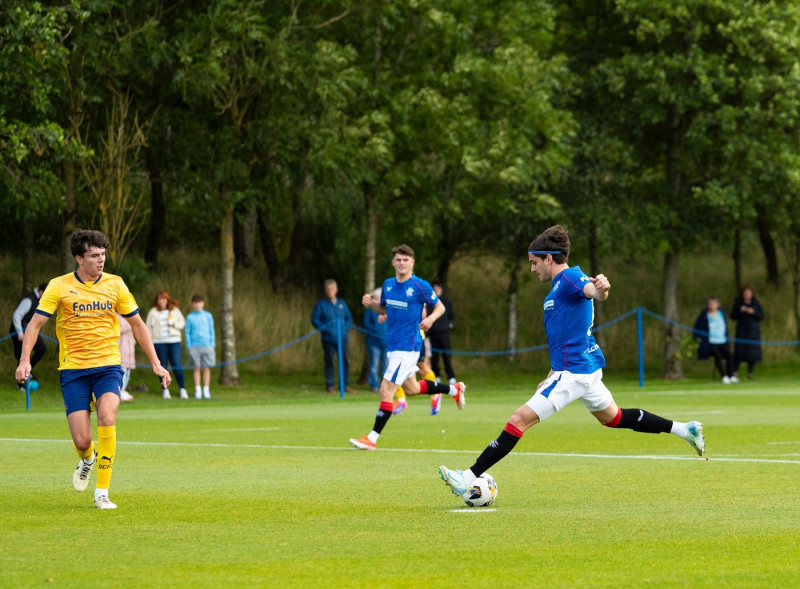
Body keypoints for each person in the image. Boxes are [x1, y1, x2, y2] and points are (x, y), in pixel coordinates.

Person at [438, 225, 706, 498]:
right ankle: (685, 430)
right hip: (582, 370)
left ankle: (466, 478)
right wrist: (551, 371)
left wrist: (602, 288)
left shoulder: (569, 278)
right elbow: (566, 333)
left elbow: (593, 291)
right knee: (614, 418)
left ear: (548, 258)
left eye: (534, 262)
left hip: (574, 372)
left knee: (518, 420)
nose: (533, 269)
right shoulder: (559, 286)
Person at [14, 228, 171, 509]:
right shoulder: (58, 286)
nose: (101, 260)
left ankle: (102, 493)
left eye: (103, 254)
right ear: (78, 258)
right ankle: (87, 458)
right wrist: (25, 360)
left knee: (107, 417)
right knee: (83, 439)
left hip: (108, 366)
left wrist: (157, 364)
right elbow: (35, 324)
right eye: (94, 255)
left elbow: (137, 324)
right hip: (73, 370)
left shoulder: (116, 284)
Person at [349, 244, 466, 451]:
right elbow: (384, 308)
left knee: (386, 390)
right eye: (398, 260)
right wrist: (371, 303)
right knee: (411, 389)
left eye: (406, 260)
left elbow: (440, 307)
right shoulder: (388, 285)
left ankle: (372, 438)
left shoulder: (420, 285)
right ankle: (453, 389)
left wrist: (429, 319)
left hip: (408, 347)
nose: (402, 263)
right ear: (393, 262)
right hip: (393, 345)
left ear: (412, 262)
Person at [311, 279, 353, 393]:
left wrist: (344, 329)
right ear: (325, 291)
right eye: (328, 289)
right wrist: (326, 329)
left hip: (342, 338)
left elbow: (349, 318)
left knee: (344, 361)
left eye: (332, 289)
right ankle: (330, 385)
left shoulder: (342, 303)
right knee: (329, 361)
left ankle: (345, 385)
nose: (330, 291)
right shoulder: (321, 304)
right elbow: (315, 319)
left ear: (336, 290)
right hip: (328, 339)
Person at [146, 290, 188, 399]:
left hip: (174, 341)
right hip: (159, 343)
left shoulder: (175, 310)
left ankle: (182, 389)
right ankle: (165, 390)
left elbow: (182, 322)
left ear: (167, 299)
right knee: (162, 367)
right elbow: (147, 329)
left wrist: (175, 325)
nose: (161, 301)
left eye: (163, 299)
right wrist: (149, 343)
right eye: (159, 299)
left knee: (177, 366)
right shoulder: (153, 312)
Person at [8, 283, 48, 390]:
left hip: (29, 330)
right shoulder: (29, 300)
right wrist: (19, 333)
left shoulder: (40, 300)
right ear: (40, 291)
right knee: (22, 355)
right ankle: (20, 384)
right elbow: (17, 315)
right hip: (19, 331)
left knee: (41, 348)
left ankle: (30, 370)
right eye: (45, 293)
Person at [693, 296, 734, 384]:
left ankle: (731, 375)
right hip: (710, 342)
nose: (712, 306)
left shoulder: (721, 313)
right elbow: (696, 328)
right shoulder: (704, 316)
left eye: (714, 304)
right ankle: (724, 376)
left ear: (718, 304)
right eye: (710, 304)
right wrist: (697, 339)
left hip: (722, 340)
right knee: (717, 355)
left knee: (729, 355)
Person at [730, 285, 765, 380]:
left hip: (753, 332)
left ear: (752, 294)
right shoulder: (738, 303)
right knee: (739, 352)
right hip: (741, 331)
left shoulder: (756, 303)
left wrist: (753, 312)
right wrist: (740, 311)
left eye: (749, 293)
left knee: (752, 353)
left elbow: (761, 316)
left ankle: (750, 372)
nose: (747, 295)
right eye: (745, 293)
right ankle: (734, 371)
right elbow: (733, 316)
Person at [185, 294, 215, 399]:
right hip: (194, 346)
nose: (197, 305)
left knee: (206, 368)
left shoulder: (208, 315)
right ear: (193, 304)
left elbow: (212, 330)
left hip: (207, 345)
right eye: (195, 303)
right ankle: (198, 389)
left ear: (203, 303)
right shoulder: (190, 317)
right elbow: (187, 332)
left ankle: (206, 390)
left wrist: (212, 344)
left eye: (199, 302)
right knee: (196, 368)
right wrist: (189, 345)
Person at [428, 282, 457, 385]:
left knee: (446, 356)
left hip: (444, 334)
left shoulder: (446, 302)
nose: (437, 291)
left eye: (438, 289)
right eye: (435, 289)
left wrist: (450, 324)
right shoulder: (430, 303)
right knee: (434, 357)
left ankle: (451, 376)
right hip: (433, 334)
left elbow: (451, 315)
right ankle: (436, 375)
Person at [363, 293, 388, 393]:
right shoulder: (369, 311)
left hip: (387, 342)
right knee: (374, 364)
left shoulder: (388, 310)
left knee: (386, 365)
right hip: (373, 342)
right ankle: (374, 385)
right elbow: (366, 324)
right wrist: (375, 331)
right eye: (377, 298)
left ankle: (385, 386)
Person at [117, 312, 136, 401]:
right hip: (120, 347)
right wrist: (130, 323)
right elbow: (117, 329)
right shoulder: (115, 316)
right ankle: (120, 391)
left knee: (128, 371)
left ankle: (123, 390)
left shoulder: (127, 315)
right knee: (122, 370)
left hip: (129, 348)